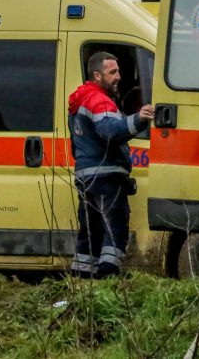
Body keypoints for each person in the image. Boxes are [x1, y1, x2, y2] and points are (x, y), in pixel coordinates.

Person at [67, 51, 154, 278]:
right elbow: (109, 131)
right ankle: (108, 280)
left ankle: (81, 281)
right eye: (112, 72)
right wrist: (139, 118)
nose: (119, 76)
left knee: (90, 232)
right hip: (106, 176)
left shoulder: (79, 100)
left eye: (118, 71)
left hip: (85, 177)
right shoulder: (99, 101)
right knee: (114, 230)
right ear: (97, 75)